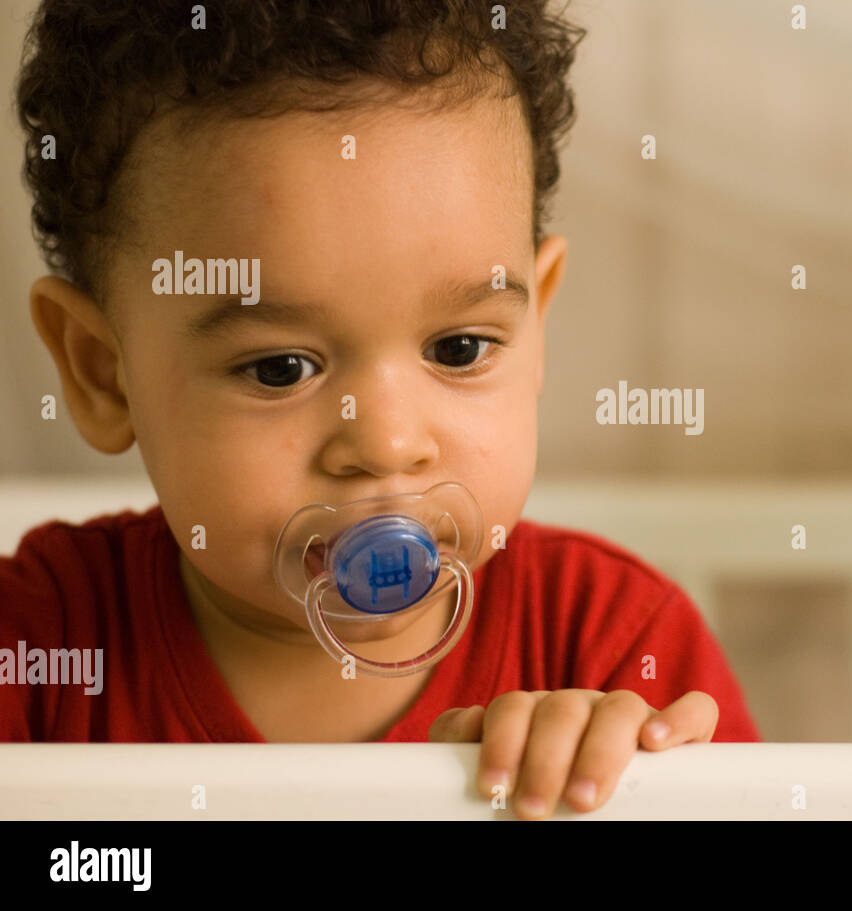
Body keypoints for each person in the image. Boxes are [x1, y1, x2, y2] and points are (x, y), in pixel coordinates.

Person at [3, 0, 761, 821]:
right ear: (103, 373)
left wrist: (612, 794)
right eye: (280, 368)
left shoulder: (617, 647)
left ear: (535, 327)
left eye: (459, 349)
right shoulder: (39, 651)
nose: (387, 443)